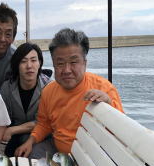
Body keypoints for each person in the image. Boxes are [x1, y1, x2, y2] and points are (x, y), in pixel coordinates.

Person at [15, 28, 124, 157]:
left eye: (73, 62)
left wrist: (108, 105)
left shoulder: (104, 88)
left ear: (84, 63)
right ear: (54, 65)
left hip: (92, 157)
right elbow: (44, 124)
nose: (66, 70)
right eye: (60, 63)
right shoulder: (48, 91)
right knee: (31, 154)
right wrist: (30, 141)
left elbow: (121, 132)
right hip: (58, 150)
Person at [0, 42, 54, 158]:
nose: (29, 66)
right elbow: (3, 119)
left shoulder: (50, 87)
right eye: (23, 61)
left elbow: (46, 122)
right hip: (15, 135)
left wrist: (13, 130)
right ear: (17, 65)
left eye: (34, 60)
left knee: (31, 155)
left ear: (40, 63)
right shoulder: (7, 87)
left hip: (42, 135)